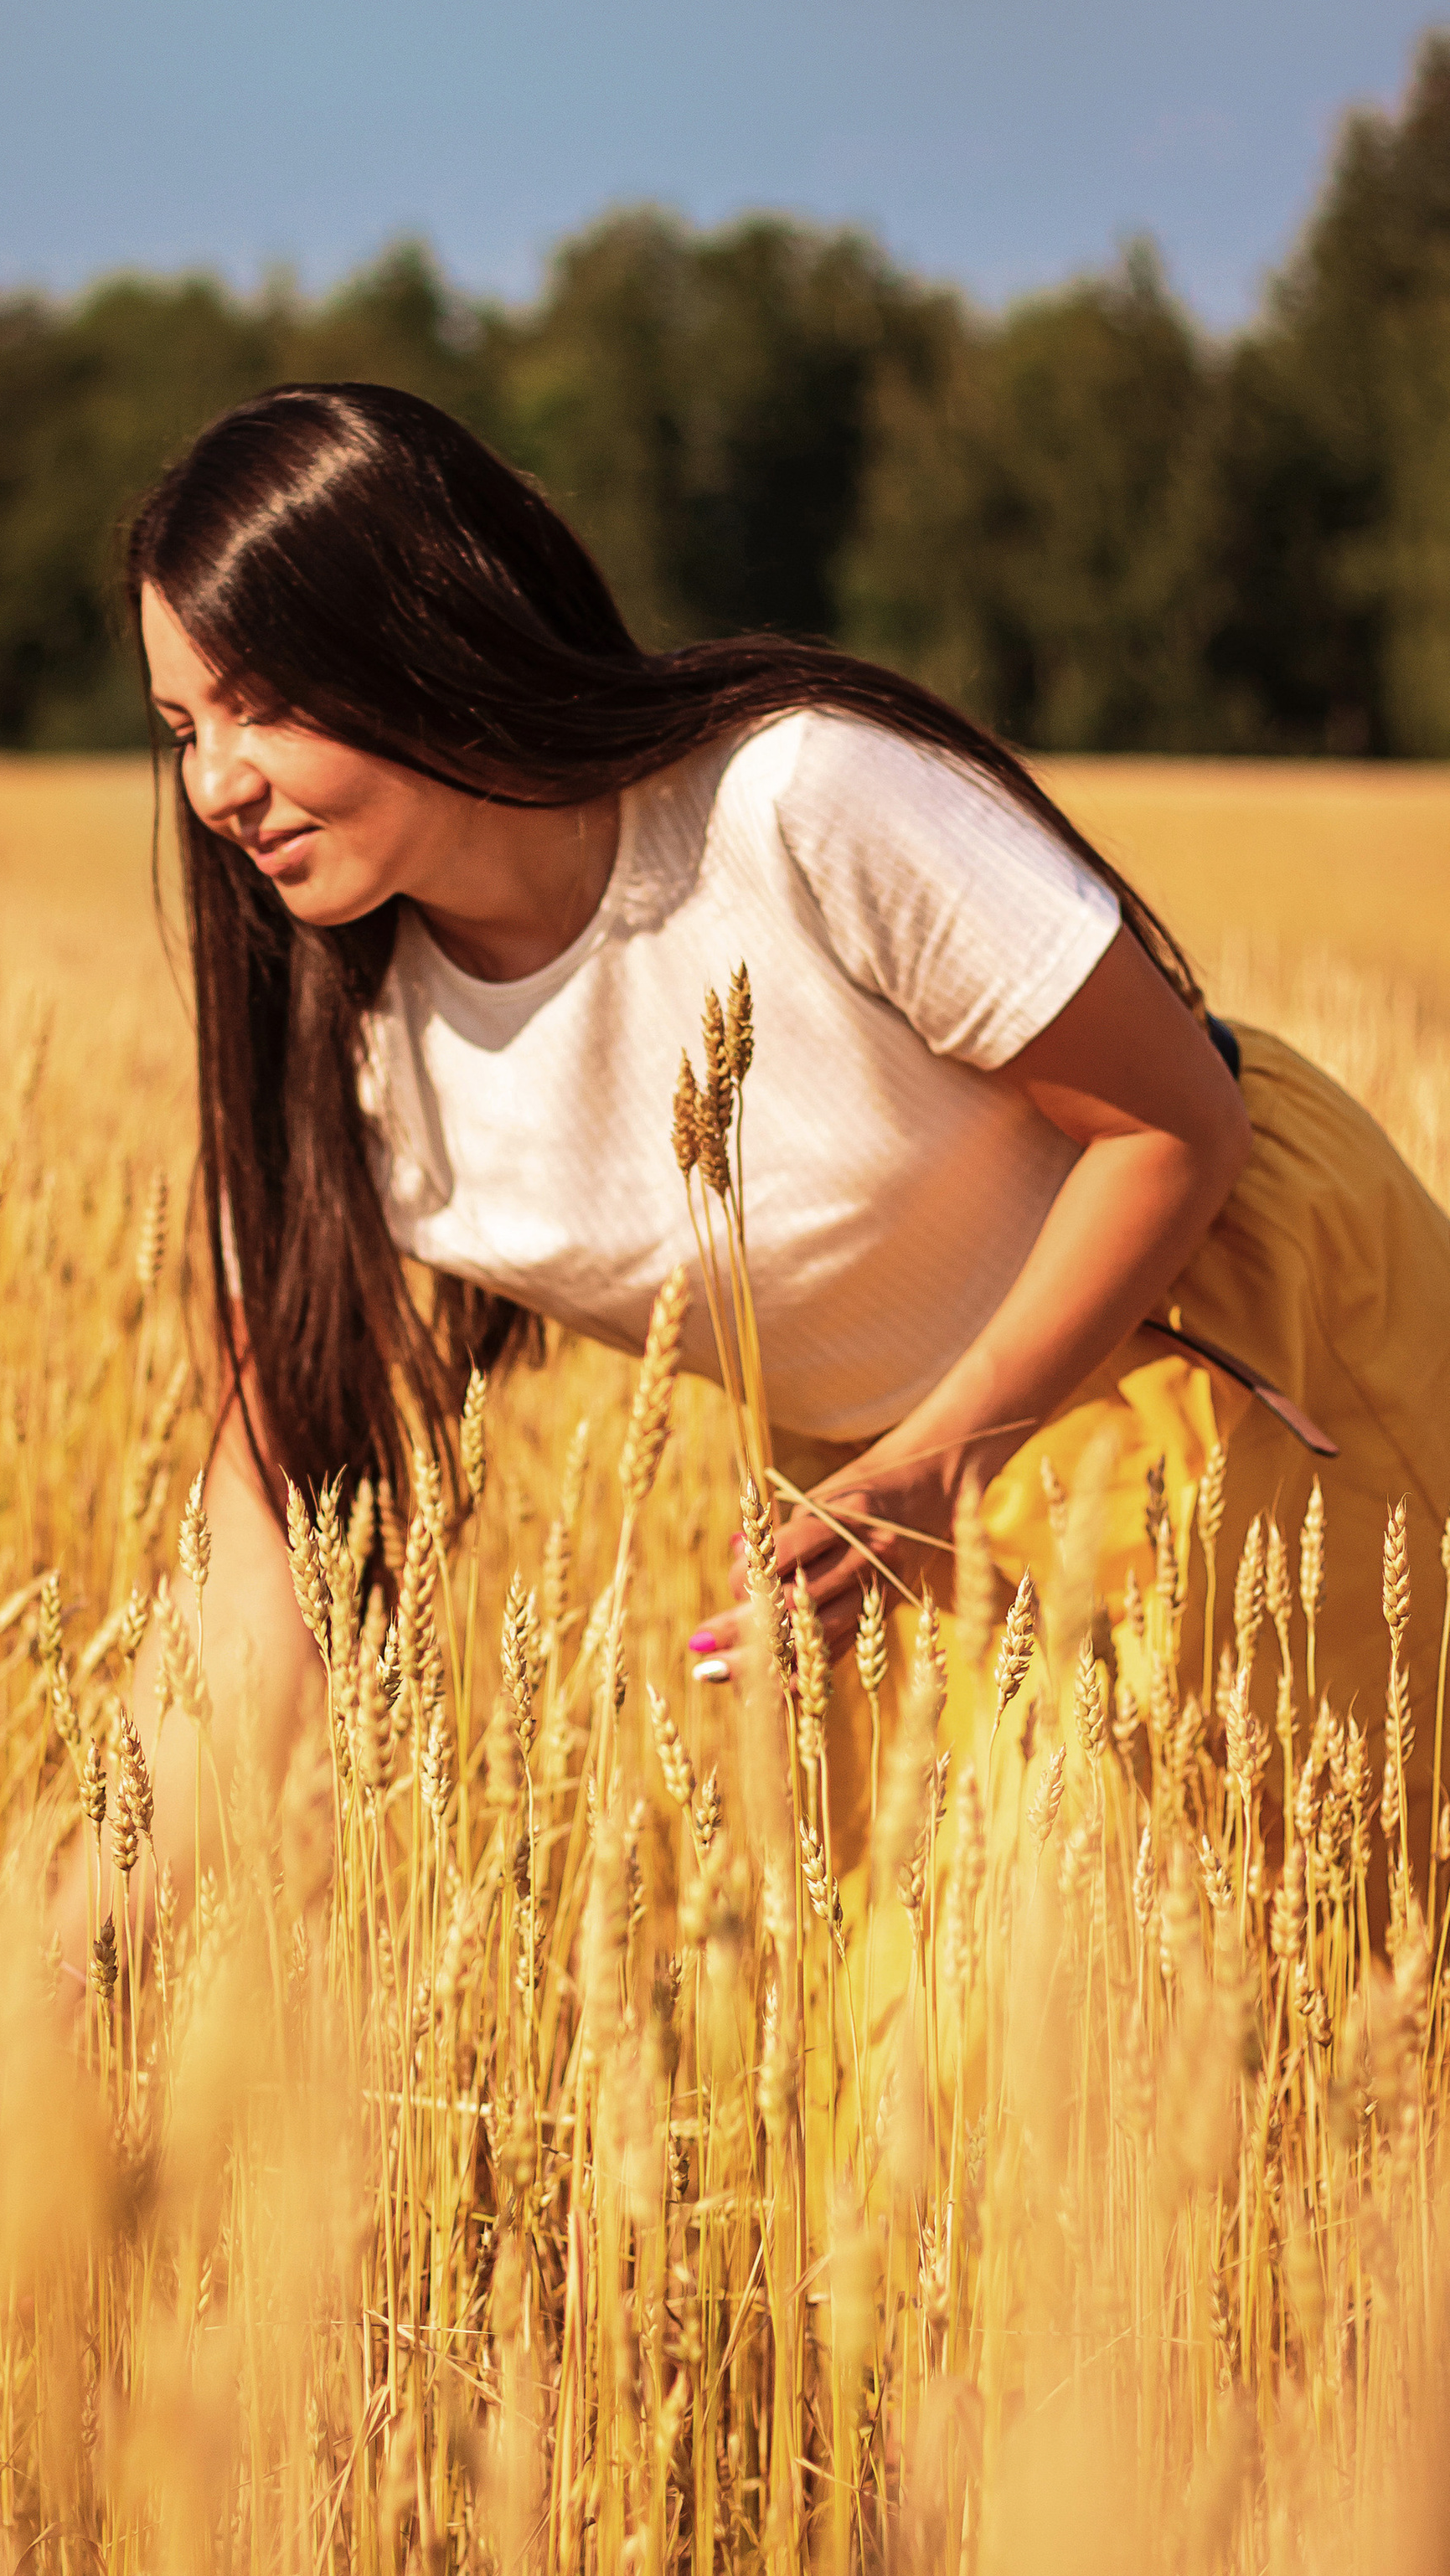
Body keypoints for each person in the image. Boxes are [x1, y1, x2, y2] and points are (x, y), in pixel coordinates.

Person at [125, 379, 1450, 1814]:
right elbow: (261, 1527)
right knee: (945, 1965)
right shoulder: (330, 1047)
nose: (216, 786)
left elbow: (1174, 1125)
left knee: (1286, 1918)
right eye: (182, 726)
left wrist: (933, 1472)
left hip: (1221, 1337)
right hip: (879, 1495)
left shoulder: (796, 797)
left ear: (430, 630)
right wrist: (88, 1902)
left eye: (263, 706)